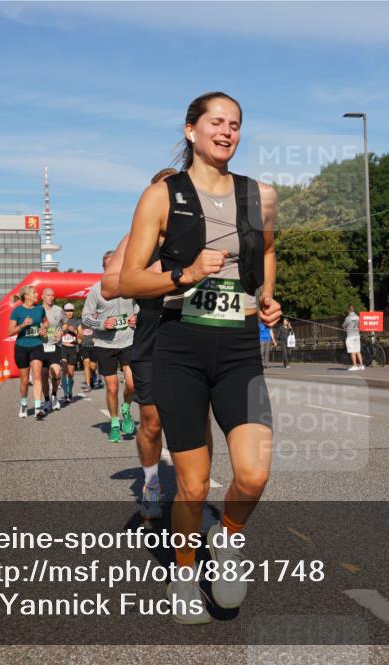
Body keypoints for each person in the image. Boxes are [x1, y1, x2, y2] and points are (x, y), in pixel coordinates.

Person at [119, 91, 281, 624]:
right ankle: (185, 571)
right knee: (191, 484)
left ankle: (227, 538)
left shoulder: (261, 195)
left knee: (254, 475)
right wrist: (185, 274)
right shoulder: (162, 196)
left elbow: (270, 251)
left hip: (238, 347)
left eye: (236, 124)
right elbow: (126, 279)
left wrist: (266, 296)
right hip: (179, 347)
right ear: (191, 130)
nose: (227, 131)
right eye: (217, 122)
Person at [102, 167, 214, 521]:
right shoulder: (136, 237)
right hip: (153, 331)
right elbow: (109, 286)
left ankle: (194, 490)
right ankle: (151, 481)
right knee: (151, 421)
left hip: (199, 329)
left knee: (198, 419)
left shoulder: (204, 231)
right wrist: (169, 276)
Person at [83, 251, 137, 443]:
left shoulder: (129, 286)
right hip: (105, 344)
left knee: (132, 384)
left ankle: (126, 409)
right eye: (109, 266)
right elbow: (85, 317)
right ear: (104, 268)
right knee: (112, 388)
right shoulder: (96, 290)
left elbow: (139, 307)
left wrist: (136, 317)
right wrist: (101, 324)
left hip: (128, 340)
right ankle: (115, 423)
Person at [8, 285, 48, 420]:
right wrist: (23, 325)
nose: (37, 294)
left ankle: (38, 408)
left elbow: (46, 322)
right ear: (26, 296)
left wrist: (44, 329)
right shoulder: (17, 311)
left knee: (37, 376)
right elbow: (10, 331)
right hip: (21, 347)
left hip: (36, 345)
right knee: (24, 380)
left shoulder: (40, 309)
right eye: (34, 293)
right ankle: (24, 404)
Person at [40, 288, 65, 412]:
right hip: (41, 346)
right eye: (48, 295)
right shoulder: (37, 310)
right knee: (44, 375)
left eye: (53, 295)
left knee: (57, 370)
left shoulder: (59, 310)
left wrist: (62, 332)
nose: (51, 297)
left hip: (55, 345)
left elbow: (65, 323)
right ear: (43, 297)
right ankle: (46, 400)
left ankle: (54, 396)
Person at [59, 303, 81, 402]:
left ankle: (70, 392)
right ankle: (65, 394)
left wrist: (75, 331)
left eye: (71, 310)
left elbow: (82, 337)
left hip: (72, 349)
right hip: (63, 347)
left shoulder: (77, 321)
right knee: (64, 371)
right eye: (67, 311)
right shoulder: (60, 322)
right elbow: (54, 333)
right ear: (64, 312)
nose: (69, 312)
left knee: (71, 373)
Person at [343, 305, 363, 371]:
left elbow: (344, 325)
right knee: (358, 351)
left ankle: (354, 366)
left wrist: (345, 328)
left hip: (350, 336)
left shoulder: (348, 318)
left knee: (352, 351)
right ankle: (361, 365)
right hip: (357, 335)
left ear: (348, 310)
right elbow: (360, 325)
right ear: (353, 310)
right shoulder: (358, 317)